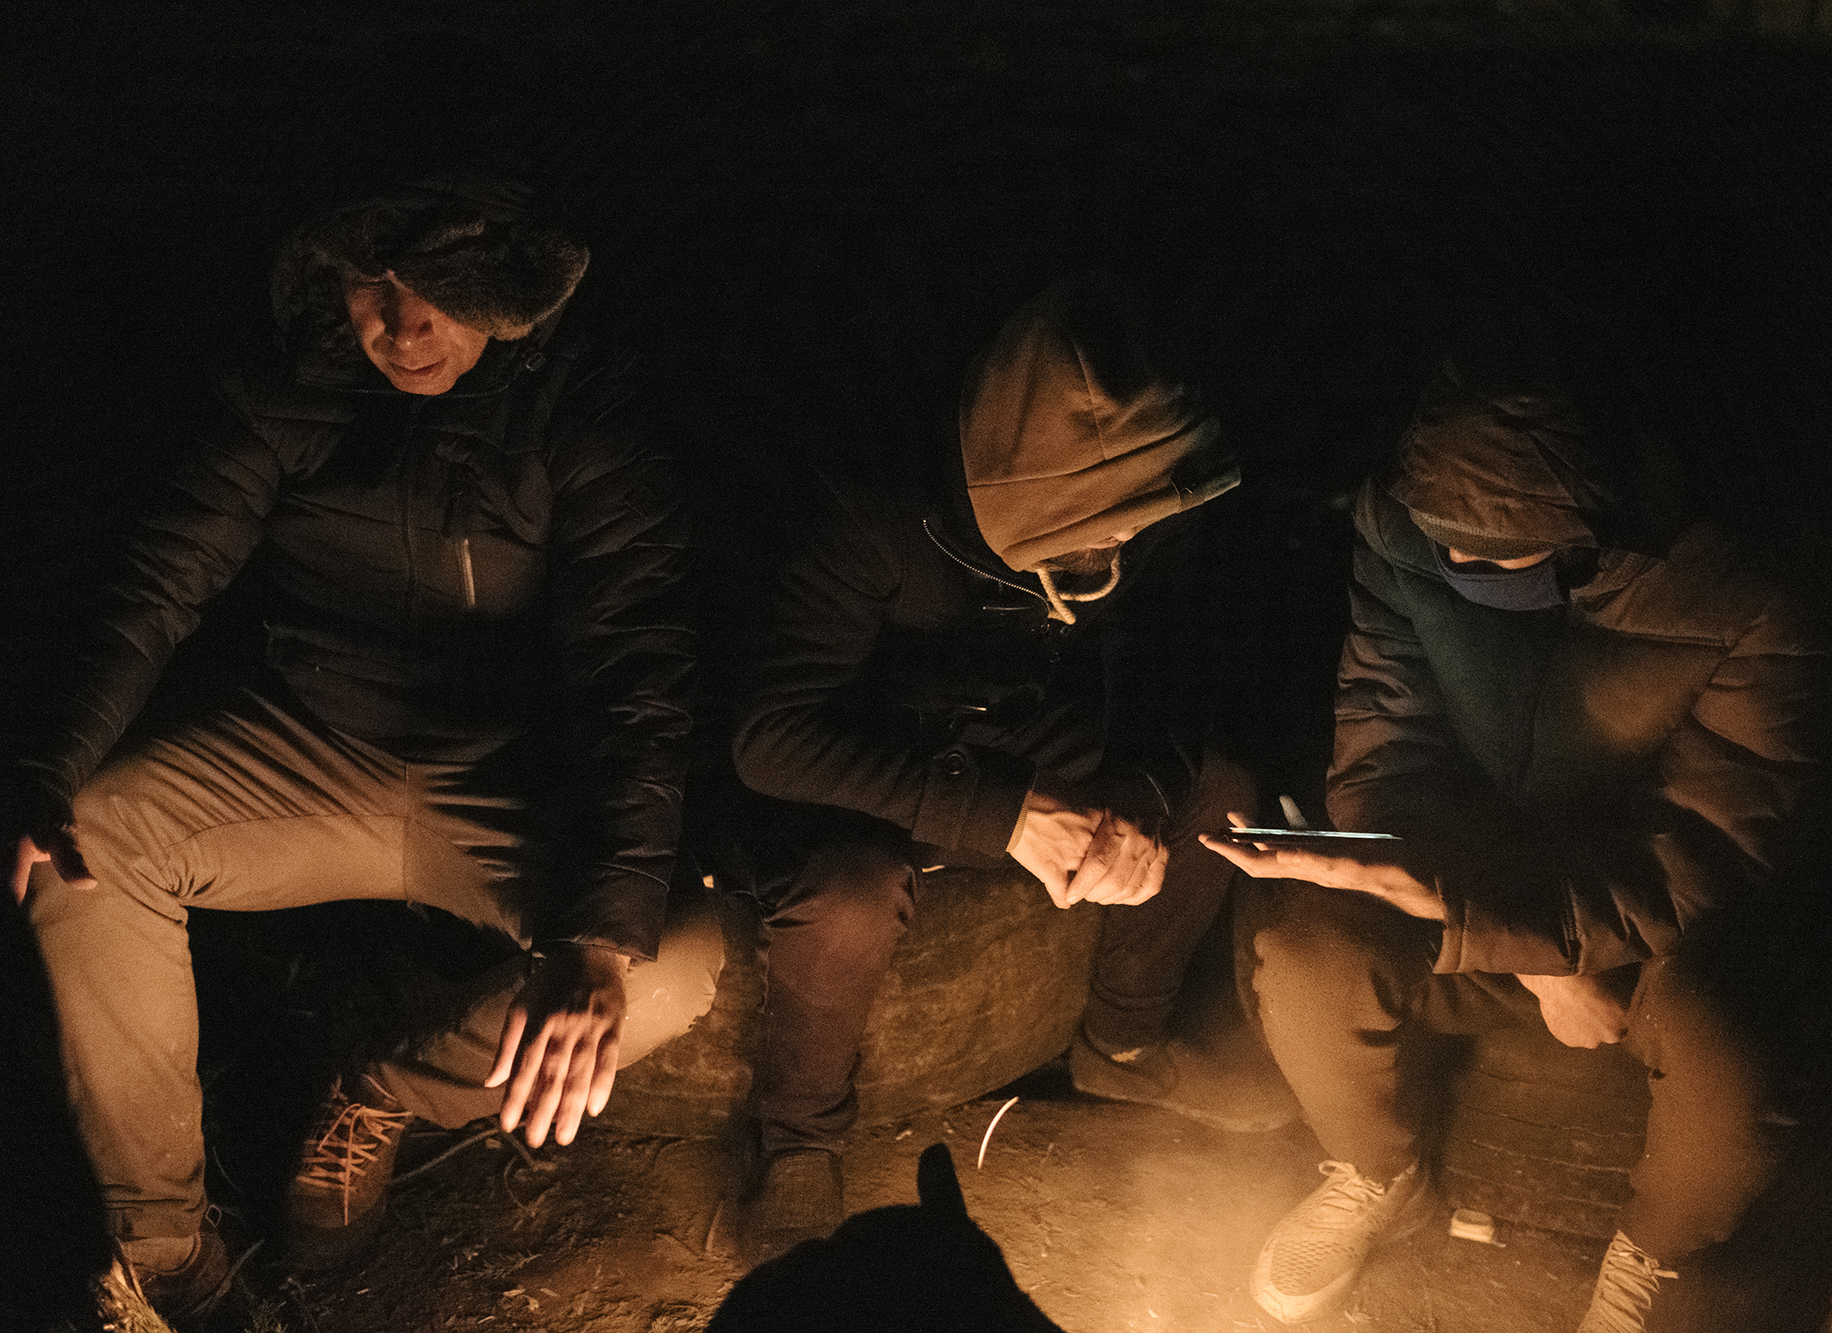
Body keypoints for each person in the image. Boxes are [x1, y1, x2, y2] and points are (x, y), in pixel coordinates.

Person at [6, 176, 723, 1323]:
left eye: (435, 291)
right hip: (308, 748)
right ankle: (169, 1246)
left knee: (674, 957)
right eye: (368, 289)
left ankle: (378, 1089)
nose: (400, 327)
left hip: (497, 776)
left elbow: (634, 672)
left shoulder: (578, 410)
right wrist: (48, 763)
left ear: (500, 288)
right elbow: (157, 587)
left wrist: (592, 935)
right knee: (83, 843)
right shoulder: (289, 393)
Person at [1204, 359, 1821, 1332]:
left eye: (1495, 557)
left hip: (1653, 914)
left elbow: (1704, 843)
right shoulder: (1397, 531)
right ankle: (1380, 1175)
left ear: (1588, 531)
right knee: (1304, 949)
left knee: (1731, 1069)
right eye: (1441, 547)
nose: (1455, 569)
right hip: (1479, 886)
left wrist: (1545, 939)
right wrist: (1517, 950)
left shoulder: (1739, 595)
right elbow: (1383, 739)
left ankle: (1648, 1257)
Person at [727, 273, 1285, 1259]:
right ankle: (797, 1144)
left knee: (1217, 792)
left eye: (1132, 524)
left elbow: (1173, 674)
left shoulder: (1148, 505)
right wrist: (1006, 816)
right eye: (1095, 526)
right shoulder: (870, 505)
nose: (1120, 542)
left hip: (1018, 740)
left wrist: (1135, 800)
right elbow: (768, 735)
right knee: (849, 894)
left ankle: (1121, 1044)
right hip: (872, 770)